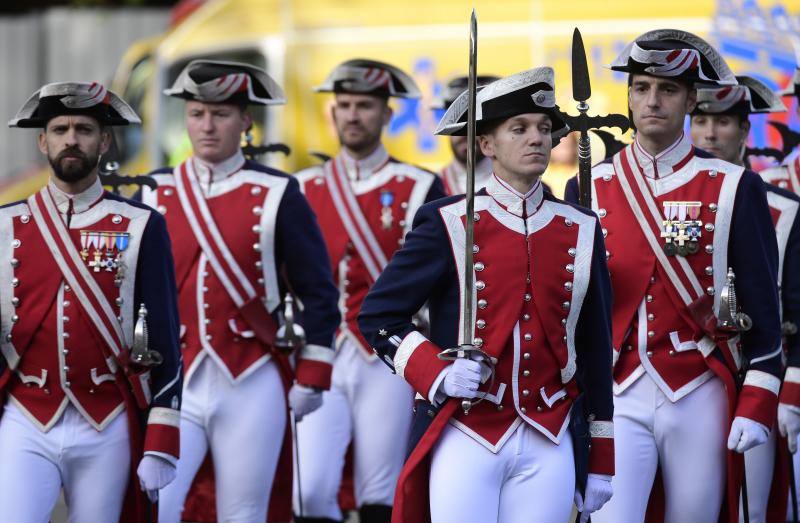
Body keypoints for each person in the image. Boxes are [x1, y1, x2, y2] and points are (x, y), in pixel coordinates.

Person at [358, 67, 615, 523]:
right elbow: (379, 315)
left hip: (550, 433)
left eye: (543, 129)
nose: (536, 138)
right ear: (487, 144)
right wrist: (435, 371)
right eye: (519, 129)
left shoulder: (581, 227)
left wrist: (602, 455)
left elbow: (594, 345)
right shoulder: (446, 221)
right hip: (466, 429)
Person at [565, 29, 783, 522]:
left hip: (697, 386)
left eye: (667, 90)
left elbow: (763, 307)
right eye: (641, 88)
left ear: (689, 99)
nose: (652, 101)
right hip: (616, 390)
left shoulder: (734, 186)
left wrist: (758, 395)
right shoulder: (588, 185)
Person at [145, 60, 340, 523]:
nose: (207, 126)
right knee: (158, 506)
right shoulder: (155, 191)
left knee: (244, 512)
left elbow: (318, 290)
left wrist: (313, 371)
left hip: (251, 377)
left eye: (221, 114)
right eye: (196, 114)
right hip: (174, 382)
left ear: (246, 121)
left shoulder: (277, 191)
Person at [0, 81, 182, 522]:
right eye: (60, 128)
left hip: (107, 417)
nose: (71, 139)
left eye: (84, 129)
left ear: (104, 141)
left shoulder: (142, 225)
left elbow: (165, 338)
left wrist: (161, 438)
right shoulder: (7, 224)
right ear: (43, 141)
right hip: (26, 413)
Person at [293, 58, 445, 523]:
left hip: (388, 354)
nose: (353, 115)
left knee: (380, 488)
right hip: (323, 349)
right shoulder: (302, 187)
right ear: (332, 113)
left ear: (386, 113)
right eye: (344, 105)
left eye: (365, 105)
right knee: (311, 489)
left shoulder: (420, 185)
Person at [431, 75, 499, 195]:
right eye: (456, 118)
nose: (466, 130)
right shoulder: (426, 188)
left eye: (477, 118)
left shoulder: (526, 188)